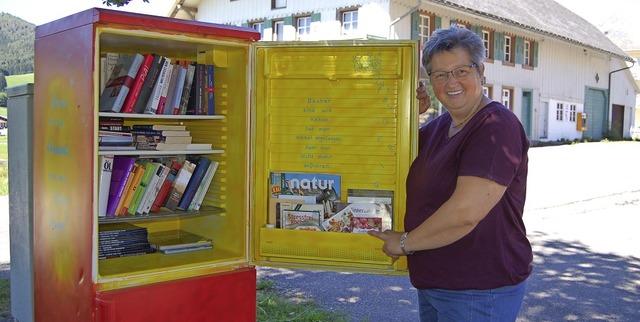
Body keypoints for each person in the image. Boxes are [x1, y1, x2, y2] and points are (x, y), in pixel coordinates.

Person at [368, 25, 533, 321]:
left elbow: (465, 211)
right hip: (437, 281)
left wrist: (404, 243)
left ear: (480, 72)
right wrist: (406, 113)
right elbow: (378, 158)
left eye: (461, 71)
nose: (451, 81)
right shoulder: (434, 129)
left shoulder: (496, 127)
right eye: (440, 74)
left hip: (479, 289)